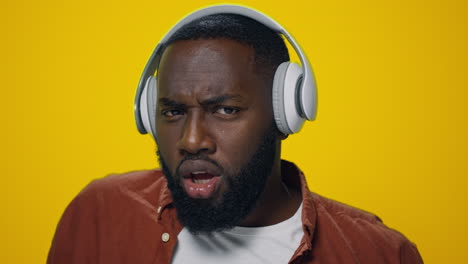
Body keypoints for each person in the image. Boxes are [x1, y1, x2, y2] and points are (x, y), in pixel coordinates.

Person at [47, 5, 423, 264]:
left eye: (225, 110)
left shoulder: (377, 253)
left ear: (285, 112)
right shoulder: (99, 215)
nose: (192, 140)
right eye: (173, 112)